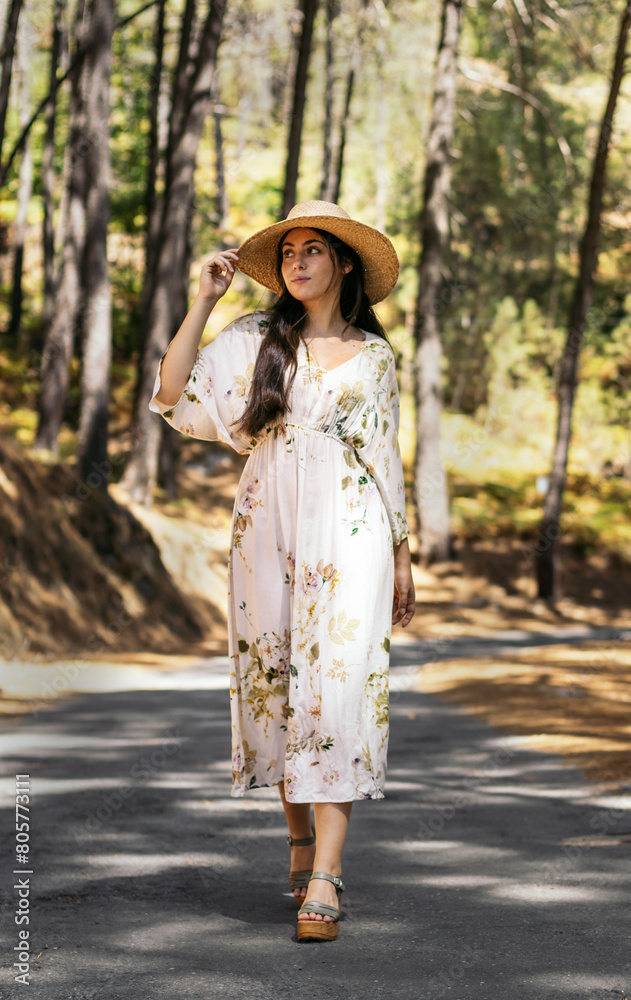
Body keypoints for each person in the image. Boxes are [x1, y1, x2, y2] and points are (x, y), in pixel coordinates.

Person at [149, 200, 415, 942]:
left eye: (312, 250)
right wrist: (203, 299)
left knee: (338, 689)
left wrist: (400, 554)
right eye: (288, 251)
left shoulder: (376, 359)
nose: (297, 261)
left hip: (351, 534)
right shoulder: (256, 340)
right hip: (264, 530)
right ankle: (298, 837)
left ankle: (326, 870)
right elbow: (171, 397)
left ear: (344, 265)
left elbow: (385, 460)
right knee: (277, 685)